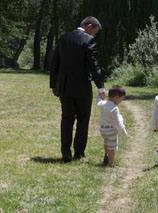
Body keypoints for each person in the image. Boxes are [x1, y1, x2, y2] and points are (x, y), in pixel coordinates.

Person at [49, 16, 105, 162]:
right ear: (89, 25)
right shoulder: (88, 40)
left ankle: (65, 153)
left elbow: (55, 62)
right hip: (82, 88)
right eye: (95, 32)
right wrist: (100, 87)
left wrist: (54, 85)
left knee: (66, 119)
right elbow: (94, 65)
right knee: (83, 120)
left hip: (65, 87)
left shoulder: (63, 38)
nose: (94, 35)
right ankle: (79, 152)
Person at [97, 85, 128, 167]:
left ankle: (106, 156)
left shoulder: (103, 103)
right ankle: (111, 164)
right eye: (121, 99)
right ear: (116, 97)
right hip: (111, 131)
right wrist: (123, 132)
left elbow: (98, 101)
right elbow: (118, 122)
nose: (121, 101)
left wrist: (100, 95)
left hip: (103, 130)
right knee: (112, 147)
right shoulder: (114, 108)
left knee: (106, 142)